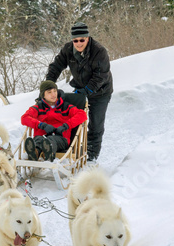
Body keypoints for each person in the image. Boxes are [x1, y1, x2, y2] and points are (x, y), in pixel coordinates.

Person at [44, 21, 113, 163]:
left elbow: (101, 75)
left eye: (82, 39)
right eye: (76, 40)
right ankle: (70, 148)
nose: (79, 43)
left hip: (100, 91)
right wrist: (49, 86)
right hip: (81, 88)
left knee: (96, 123)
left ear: (87, 38)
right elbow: (56, 66)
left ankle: (91, 155)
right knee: (72, 119)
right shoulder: (68, 49)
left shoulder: (99, 51)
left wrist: (86, 91)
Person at [21, 80, 87, 161]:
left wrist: (66, 125)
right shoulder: (38, 107)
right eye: (49, 92)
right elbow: (24, 118)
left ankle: (49, 154)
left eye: (55, 91)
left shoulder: (66, 106)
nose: (53, 94)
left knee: (50, 140)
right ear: (43, 95)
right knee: (38, 140)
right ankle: (35, 153)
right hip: (42, 136)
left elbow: (82, 114)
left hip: (61, 138)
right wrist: (41, 125)